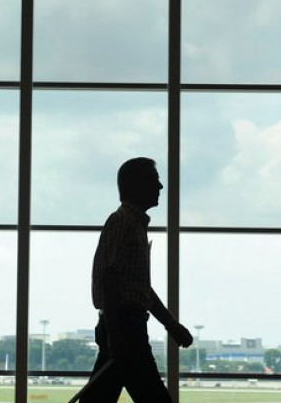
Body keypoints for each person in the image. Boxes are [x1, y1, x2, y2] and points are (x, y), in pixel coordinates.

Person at [80, 157, 194, 403]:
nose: (160, 187)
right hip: (126, 326)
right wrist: (116, 334)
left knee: (99, 398)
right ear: (135, 185)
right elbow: (109, 278)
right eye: (154, 180)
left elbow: (137, 287)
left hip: (124, 325)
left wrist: (170, 324)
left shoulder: (133, 224)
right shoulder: (124, 223)